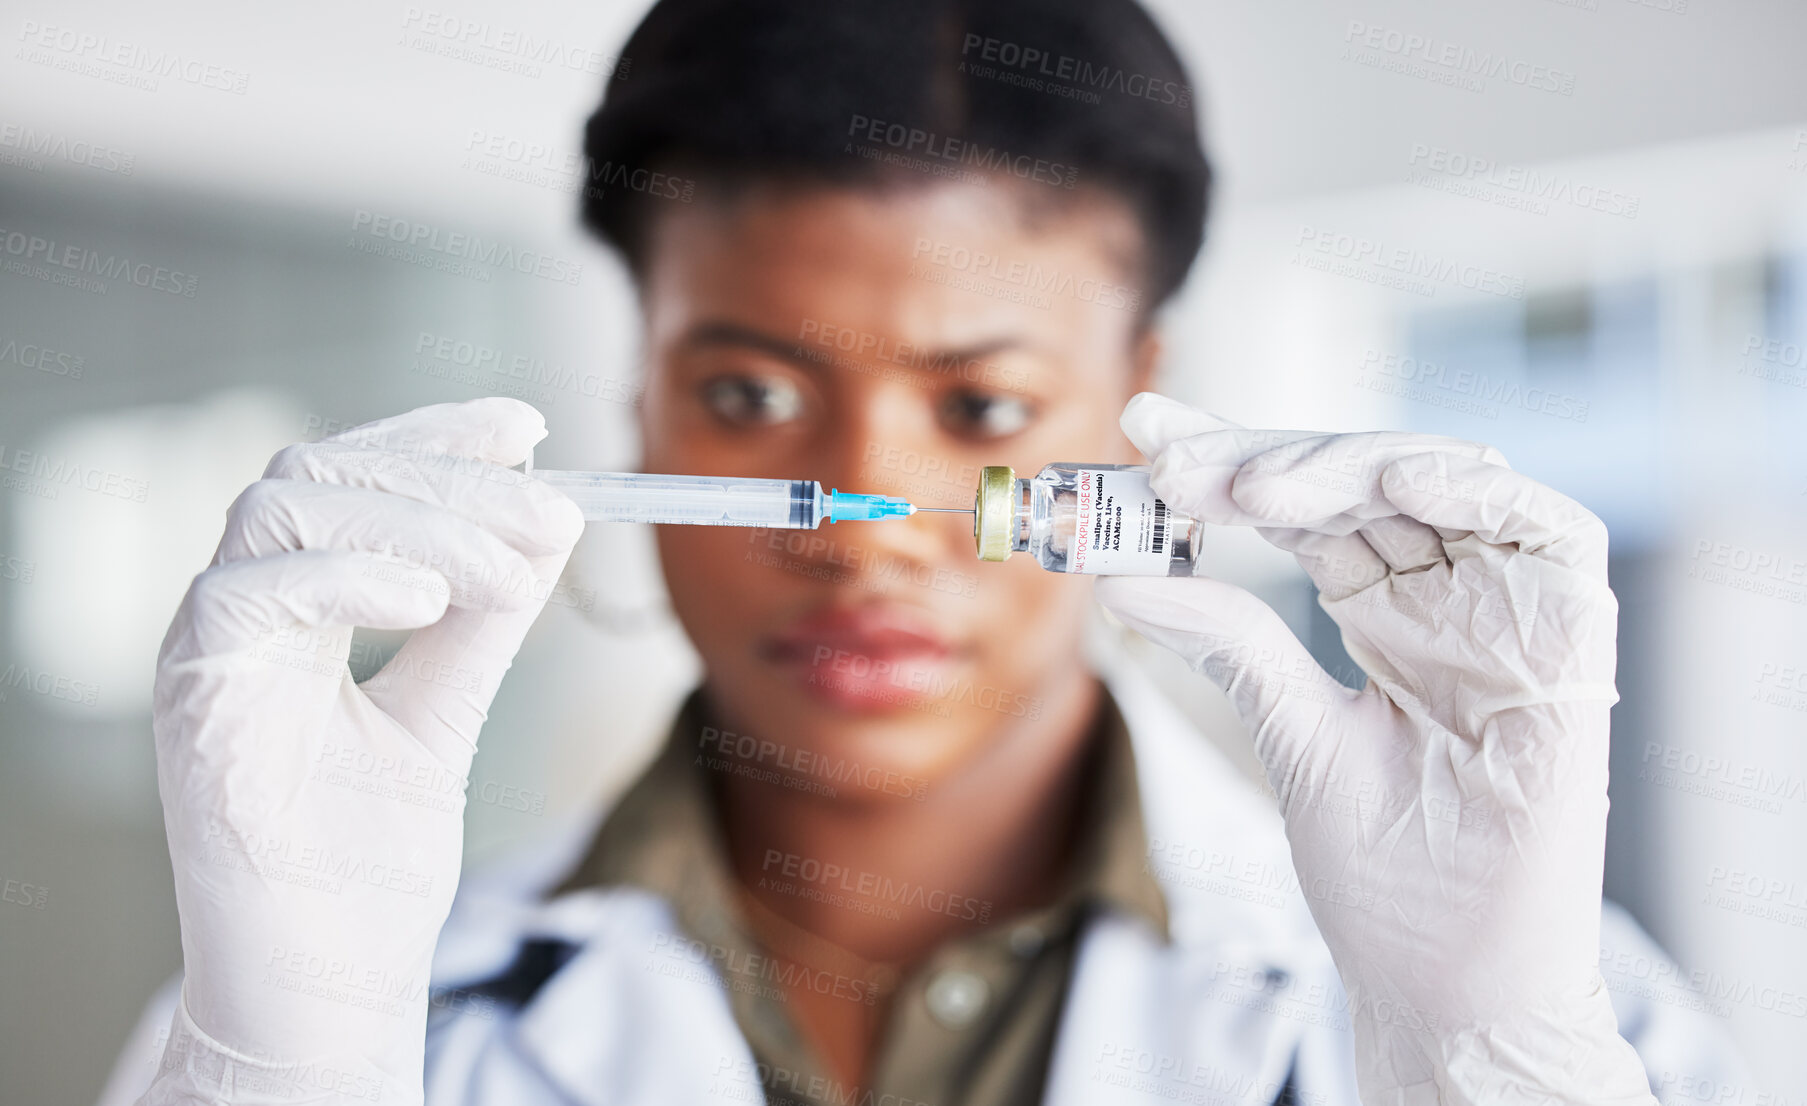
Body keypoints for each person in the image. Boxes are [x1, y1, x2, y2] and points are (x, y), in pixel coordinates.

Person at [103, 1, 1749, 1103]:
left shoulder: (1558, 1007)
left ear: (1136, 409)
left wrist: (1480, 1060)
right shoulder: (309, 1004)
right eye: (749, 389)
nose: (862, 524)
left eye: (983, 401)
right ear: (641, 406)